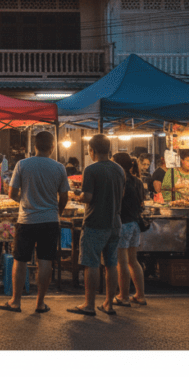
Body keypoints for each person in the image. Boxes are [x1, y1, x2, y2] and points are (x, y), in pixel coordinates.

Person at [0, 131, 68, 314]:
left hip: (27, 220)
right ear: (53, 147)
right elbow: (64, 196)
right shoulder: (59, 167)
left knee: (20, 261)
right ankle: (40, 303)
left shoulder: (22, 165)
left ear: (34, 146)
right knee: (45, 261)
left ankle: (16, 302)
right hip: (50, 221)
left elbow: (11, 193)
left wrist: (26, 201)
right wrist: (56, 212)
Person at [68, 134, 125, 317]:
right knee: (111, 263)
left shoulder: (91, 169)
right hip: (115, 222)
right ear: (109, 149)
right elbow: (121, 194)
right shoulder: (119, 169)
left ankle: (89, 304)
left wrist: (75, 196)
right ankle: (108, 304)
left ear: (91, 151)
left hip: (95, 222)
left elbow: (88, 197)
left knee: (91, 263)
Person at [112, 153, 147, 308]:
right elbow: (142, 203)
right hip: (134, 224)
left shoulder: (120, 180)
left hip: (123, 223)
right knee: (133, 261)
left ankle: (123, 296)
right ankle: (140, 295)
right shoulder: (137, 181)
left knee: (122, 262)